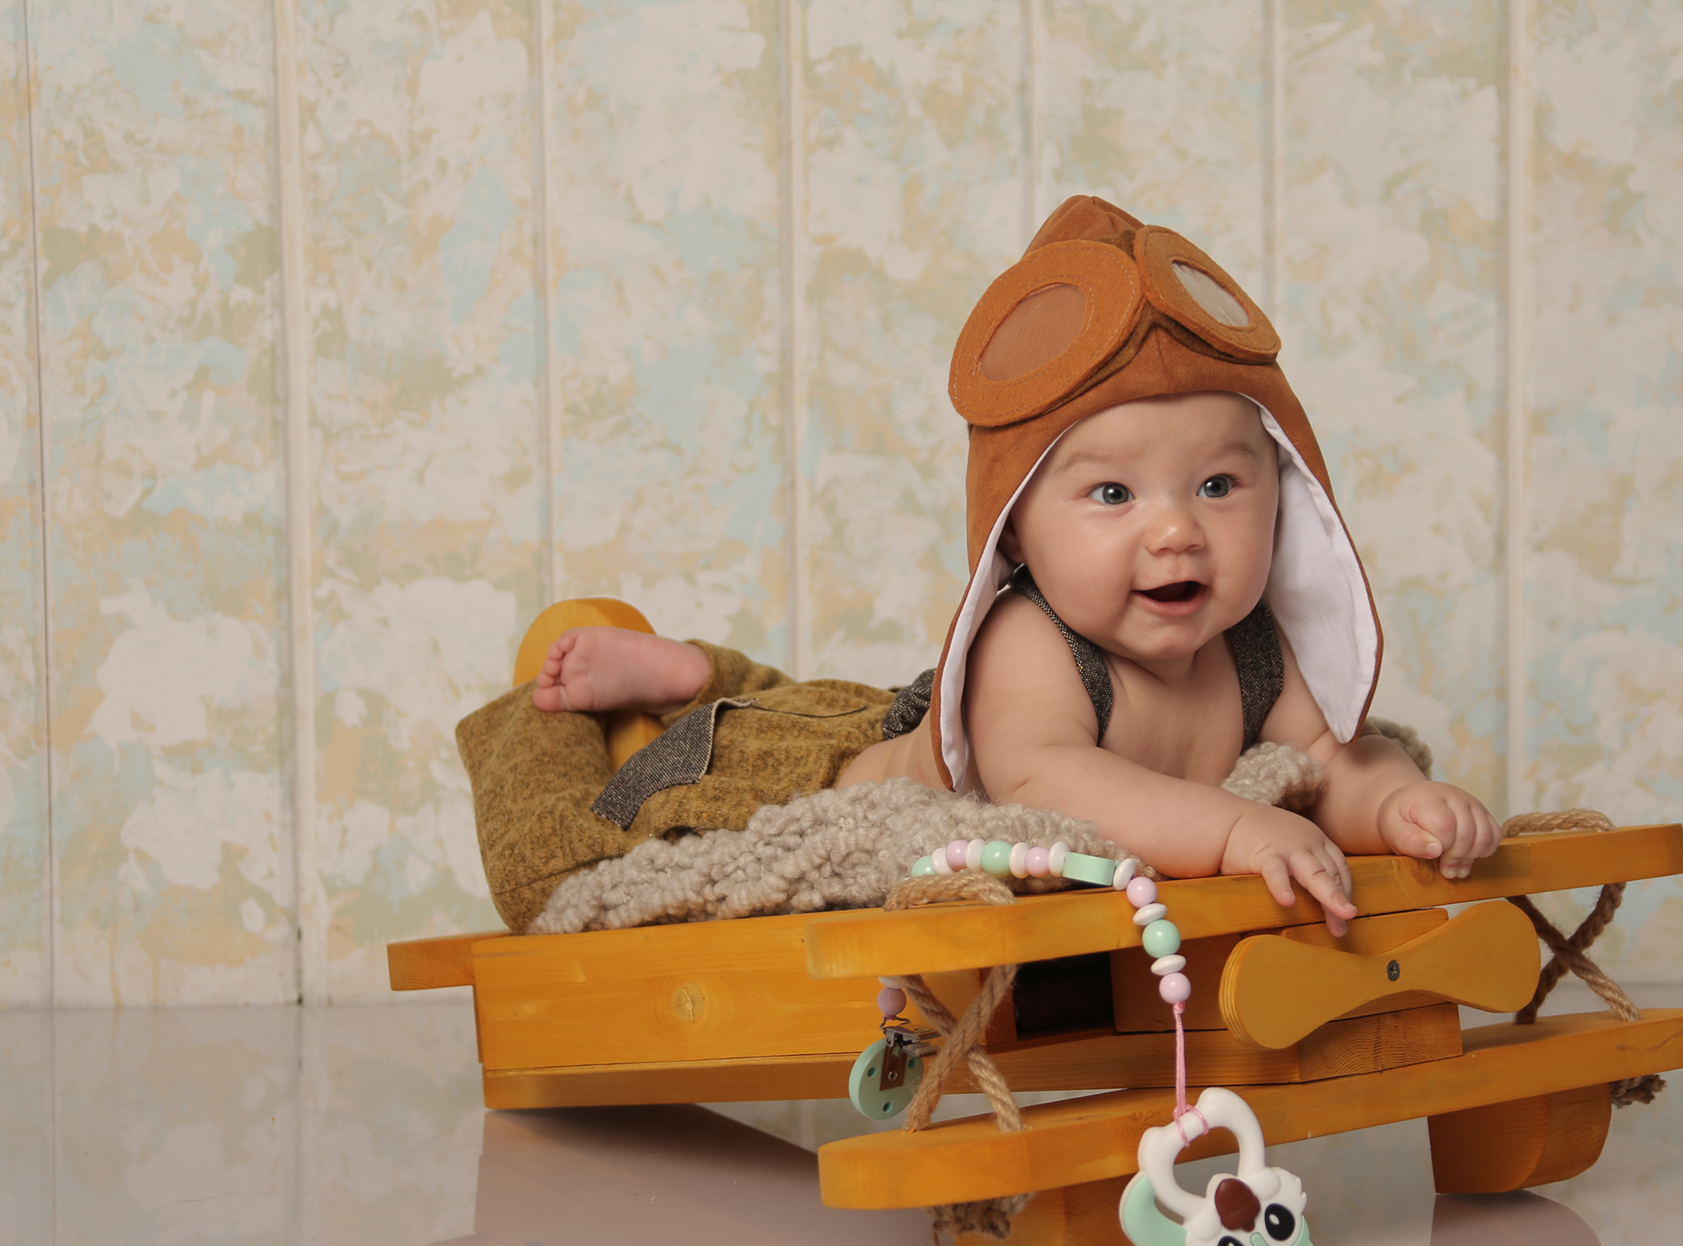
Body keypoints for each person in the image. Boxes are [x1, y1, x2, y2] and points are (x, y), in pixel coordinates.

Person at [528, 195, 1498, 928]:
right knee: (706, 775)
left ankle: (702, 676)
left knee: (845, 700)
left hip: (891, 712)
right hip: (828, 778)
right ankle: (690, 686)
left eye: (1216, 485)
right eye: (1112, 494)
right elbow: (1052, 788)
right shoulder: (1029, 642)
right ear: (1017, 531)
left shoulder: (1251, 648)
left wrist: (1397, 804)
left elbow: (1327, 758)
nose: (1176, 532)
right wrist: (1235, 828)